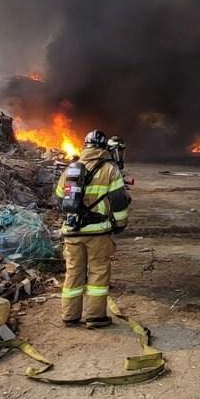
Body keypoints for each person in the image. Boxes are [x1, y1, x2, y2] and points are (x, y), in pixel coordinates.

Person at [55, 129, 130, 327]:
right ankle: (95, 317)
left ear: (85, 146)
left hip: (72, 232)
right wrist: (120, 224)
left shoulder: (72, 168)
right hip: (98, 232)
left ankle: (70, 316)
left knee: (73, 273)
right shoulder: (109, 169)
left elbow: (59, 199)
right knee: (98, 272)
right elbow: (119, 200)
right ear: (104, 147)